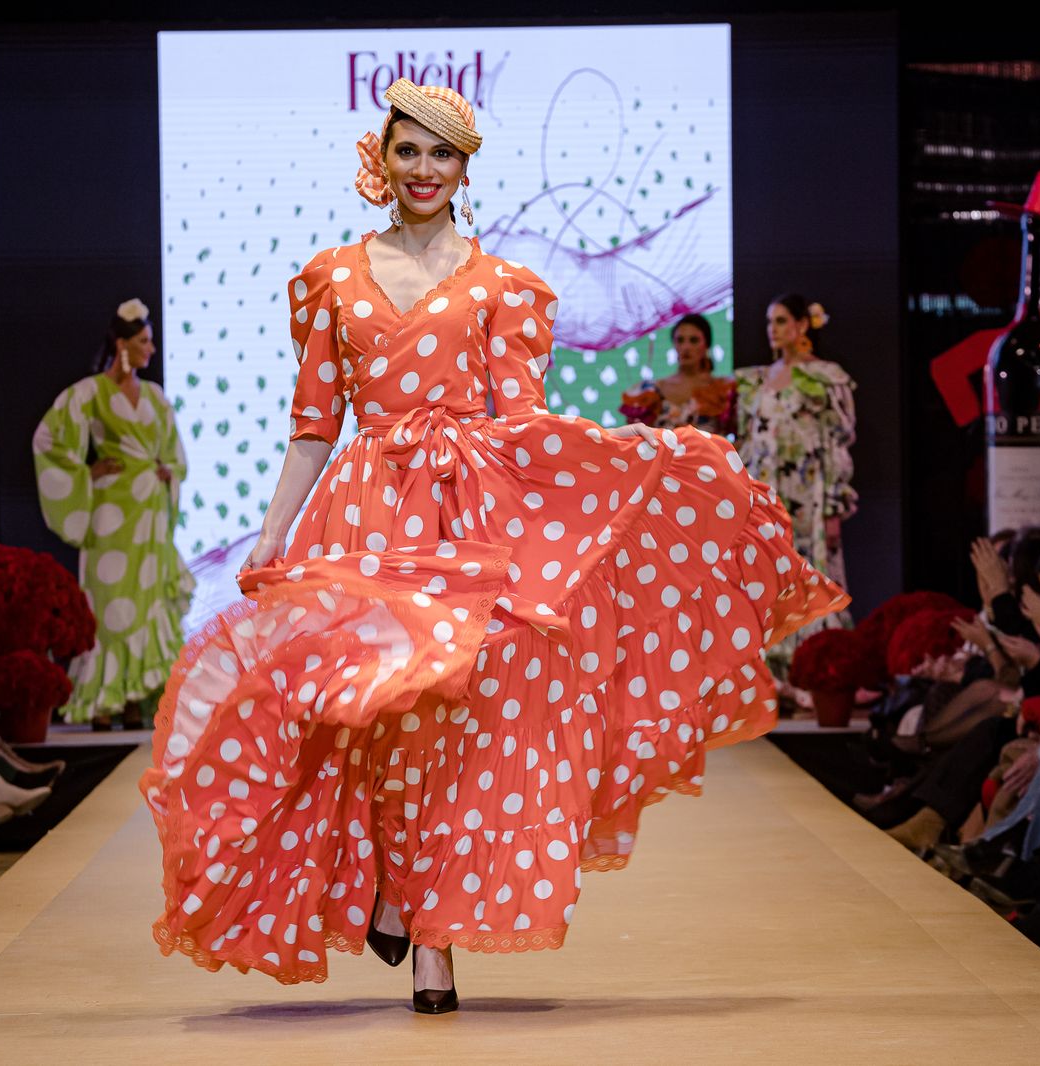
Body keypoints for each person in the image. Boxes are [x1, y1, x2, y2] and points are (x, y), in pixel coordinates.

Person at [141, 78, 847, 1013]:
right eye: (409, 150)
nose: (424, 169)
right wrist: (271, 544)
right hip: (363, 516)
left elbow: (521, 422)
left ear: (465, 168)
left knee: (461, 721)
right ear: (381, 159)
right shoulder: (330, 279)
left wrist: (625, 462)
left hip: (471, 515)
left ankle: (431, 934)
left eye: (443, 153)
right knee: (374, 718)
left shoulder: (504, 287)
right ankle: (394, 893)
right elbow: (315, 425)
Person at [33, 298, 195, 729]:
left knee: (146, 604)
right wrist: (86, 471)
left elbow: (176, 456)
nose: (151, 350)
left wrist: (167, 471)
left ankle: (134, 701)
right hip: (109, 514)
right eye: (144, 341)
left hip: (148, 516)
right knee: (107, 608)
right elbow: (48, 438)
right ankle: (104, 704)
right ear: (123, 345)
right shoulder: (90, 393)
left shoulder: (156, 397)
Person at [726, 293, 857, 680]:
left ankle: (814, 672)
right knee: (766, 575)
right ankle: (773, 675)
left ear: (802, 326)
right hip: (767, 493)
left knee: (808, 571)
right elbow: (749, 442)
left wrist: (834, 505)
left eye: (781, 321)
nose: (773, 329)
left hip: (809, 494)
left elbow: (838, 441)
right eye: (770, 322)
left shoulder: (824, 377)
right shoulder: (759, 381)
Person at [618, 313, 735, 433]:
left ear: (706, 344)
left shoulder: (723, 391)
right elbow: (636, 439)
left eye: (694, 340)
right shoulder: (650, 391)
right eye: (680, 340)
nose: (686, 347)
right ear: (674, 343)